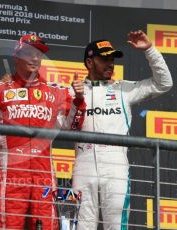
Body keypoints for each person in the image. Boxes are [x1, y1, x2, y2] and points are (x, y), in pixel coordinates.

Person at [71, 30, 173, 230]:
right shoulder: (73, 90)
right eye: (104, 59)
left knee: (116, 226)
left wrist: (150, 50)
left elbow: (164, 84)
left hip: (116, 163)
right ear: (89, 63)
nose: (110, 63)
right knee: (82, 227)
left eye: (112, 59)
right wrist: (77, 100)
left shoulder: (124, 89)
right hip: (84, 163)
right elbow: (62, 125)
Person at [0, 34, 86, 229]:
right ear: (16, 56)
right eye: (29, 53)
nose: (35, 58)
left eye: (39, 53)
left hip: (43, 171)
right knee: (8, 224)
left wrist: (78, 100)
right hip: (12, 172)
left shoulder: (56, 91)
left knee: (46, 224)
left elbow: (73, 126)